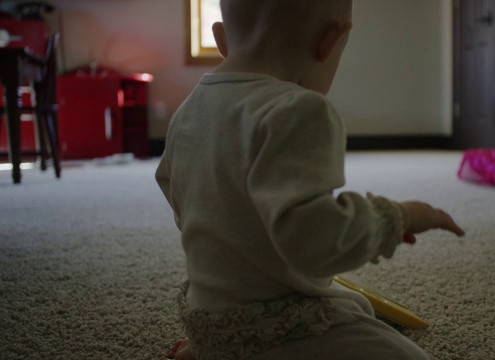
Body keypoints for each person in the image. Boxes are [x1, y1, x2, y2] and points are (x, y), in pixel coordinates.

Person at [156, 0, 465, 359]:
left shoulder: (188, 111)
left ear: (221, 38)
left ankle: (216, 349)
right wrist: (400, 216)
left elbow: (177, 190)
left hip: (208, 317)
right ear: (330, 41)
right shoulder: (297, 110)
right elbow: (318, 244)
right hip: (275, 326)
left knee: (351, 302)